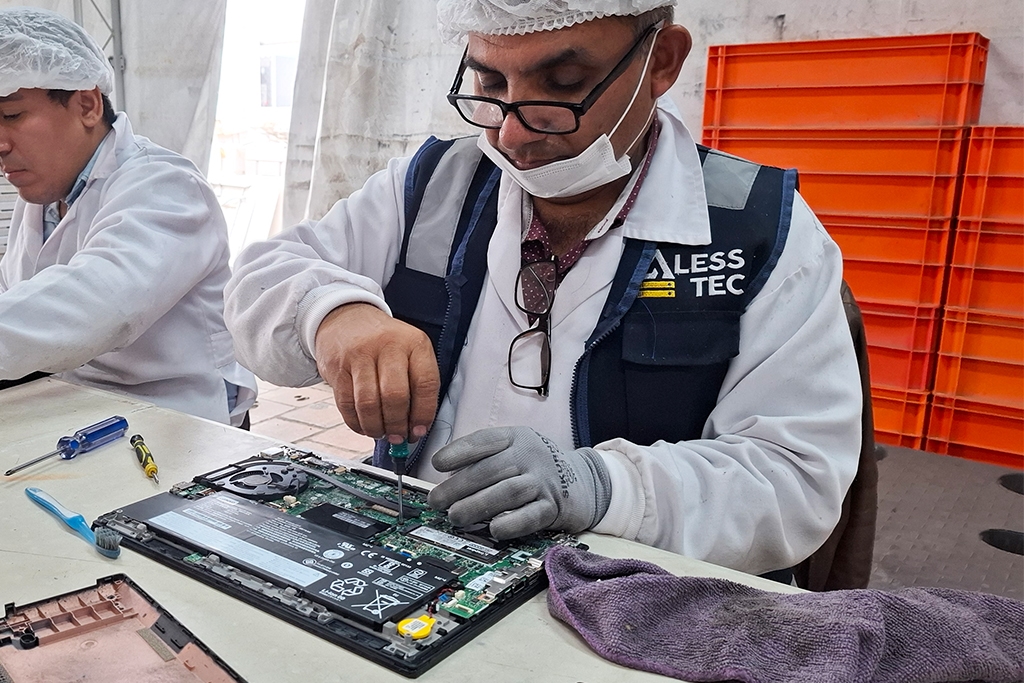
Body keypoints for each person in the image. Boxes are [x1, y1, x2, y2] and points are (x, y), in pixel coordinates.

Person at [225, 0, 862, 575]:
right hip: (428, 572)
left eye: (563, 85)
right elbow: (261, 277)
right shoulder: (436, 184)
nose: (513, 134)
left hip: (629, 606)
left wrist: (605, 488)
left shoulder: (756, 230)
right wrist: (334, 314)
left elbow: (796, 478)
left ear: (661, 61)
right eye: (491, 85)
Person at [0, 8, 256, 426]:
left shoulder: (166, 187)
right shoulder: (42, 194)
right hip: (83, 406)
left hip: (183, 419)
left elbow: (98, 303)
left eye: (11, 116)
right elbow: (15, 292)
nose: (1, 143)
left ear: (87, 104)